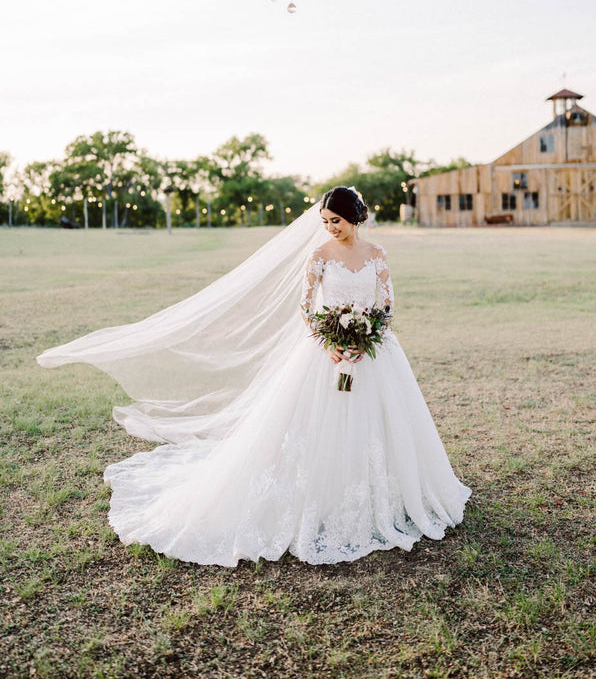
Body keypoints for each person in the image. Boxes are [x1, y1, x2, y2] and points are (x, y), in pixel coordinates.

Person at [37, 186, 470, 566]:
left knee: (378, 423)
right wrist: (332, 341)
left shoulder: (376, 255)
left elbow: (387, 304)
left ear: (355, 217)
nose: (329, 228)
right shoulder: (318, 255)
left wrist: (366, 336)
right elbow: (306, 307)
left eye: (335, 221)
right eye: (323, 221)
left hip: (373, 354)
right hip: (323, 352)